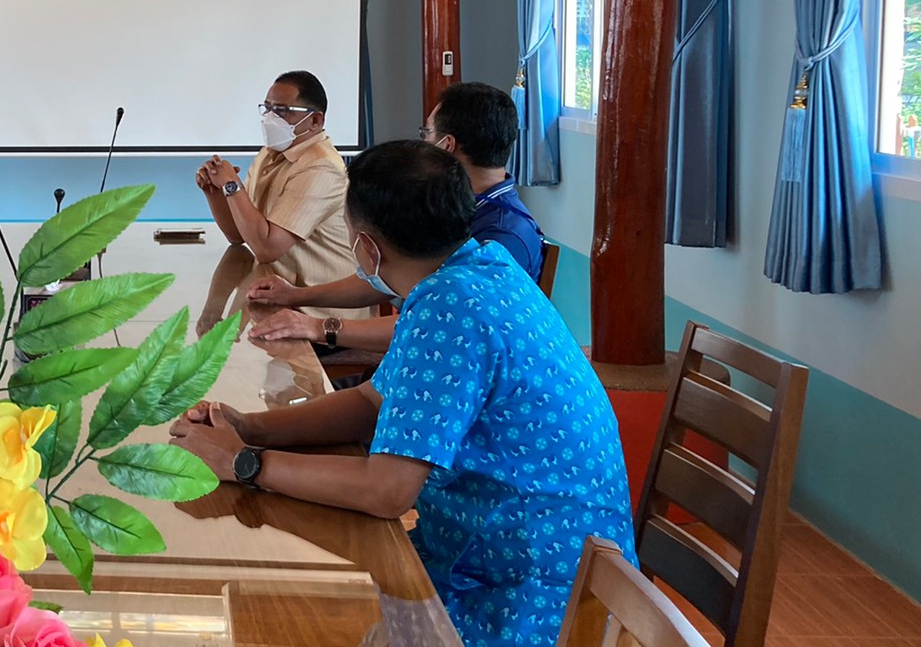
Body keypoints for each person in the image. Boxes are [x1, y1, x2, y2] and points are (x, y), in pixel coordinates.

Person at [171, 140, 634, 647]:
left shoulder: (450, 309)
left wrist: (244, 463)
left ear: (368, 249)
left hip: (531, 597)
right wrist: (250, 427)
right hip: (524, 560)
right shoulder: (479, 268)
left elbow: (387, 492)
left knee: (304, 618)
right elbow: (374, 403)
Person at [249, 81, 547, 353]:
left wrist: (318, 327)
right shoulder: (445, 205)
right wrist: (297, 296)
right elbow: (384, 278)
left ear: (446, 146)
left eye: (426, 134)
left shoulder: (503, 237)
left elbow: (438, 327)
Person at [197, 71, 357, 324]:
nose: (270, 118)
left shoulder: (321, 167)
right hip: (277, 303)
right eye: (268, 109)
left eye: (282, 111)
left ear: (315, 120)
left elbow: (267, 248)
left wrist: (231, 185)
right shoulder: (269, 154)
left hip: (320, 317)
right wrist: (216, 193)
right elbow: (239, 236)